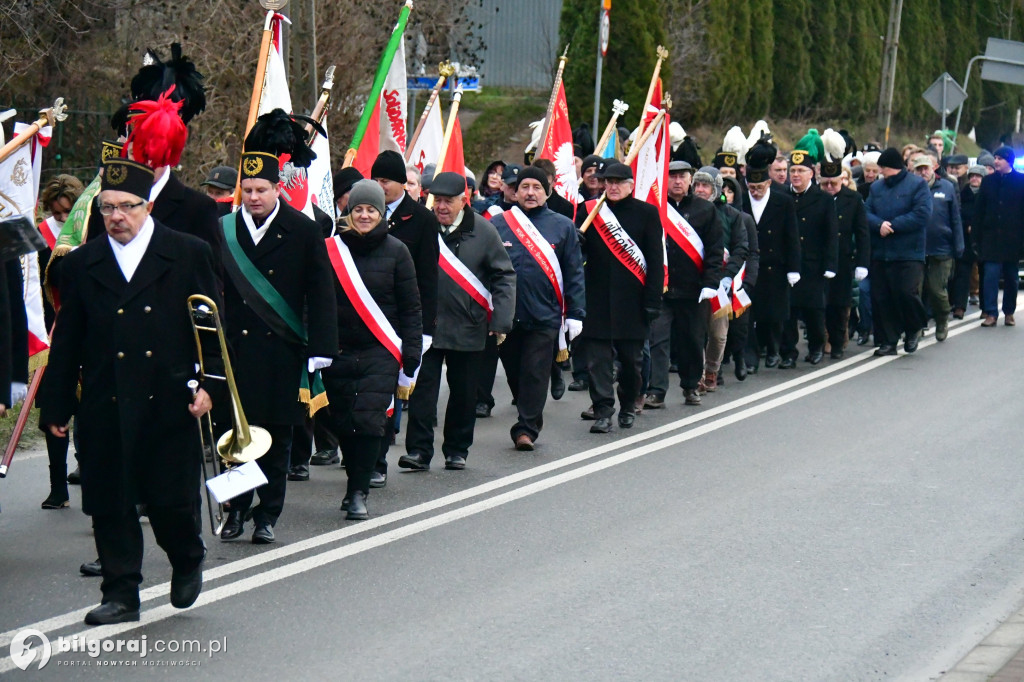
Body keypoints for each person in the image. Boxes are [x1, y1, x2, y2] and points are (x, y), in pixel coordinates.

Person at [39, 156, 217, 625]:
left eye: (127, 207)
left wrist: (210, 385)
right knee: (110, 501)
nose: (116, 217)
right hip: (105, 400)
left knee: (169, 502)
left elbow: (213, 327)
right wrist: (56, 403)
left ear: (148, 206)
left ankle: (187, 556)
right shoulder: (82, 264)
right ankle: (121, 593)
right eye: (107, 208)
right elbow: (68, 339)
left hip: (170, 399)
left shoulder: (187, 253)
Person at [216, 109, 338, 544]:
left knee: (277, 438)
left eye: (261, 189)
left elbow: (321, 291)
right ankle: (235, 510)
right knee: (233, 436)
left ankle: (267, 515)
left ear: (275, 189)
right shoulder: (222, 231)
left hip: (283, 351)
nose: (253, 197)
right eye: (246, 190)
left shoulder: (303, 230)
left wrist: (322, 346)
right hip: (234, 354)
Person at [316, 180, 421, 519]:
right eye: (358, 209)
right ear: (348, 212)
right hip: (338, 350)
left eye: (371, 210)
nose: (364, 215)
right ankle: (354, 480)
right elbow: (313, 301)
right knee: (344, 420)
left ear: (381, 214)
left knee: (369, 420)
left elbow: (410, 307)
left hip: (381, 350)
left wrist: (412, 350)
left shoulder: (397, 251)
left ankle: (358, 491)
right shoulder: (330, 250)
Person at [399, 172, 515, 472]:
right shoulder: (423, 227)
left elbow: (504, 275)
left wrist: (501, 319)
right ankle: (420, 451)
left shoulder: (484, 231)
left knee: (464, 392)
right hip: (428, 325)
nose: (441, 206)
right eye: (437, 200)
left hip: (469, 324)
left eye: (448, 201)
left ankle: (456, 449)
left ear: (464, 201)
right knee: (422, 390)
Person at [491, 167, 585, 449]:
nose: (530, 193)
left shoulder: (562, 226)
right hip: (507, 316)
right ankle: (526, 409)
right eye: (525, 187)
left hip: (545, 315)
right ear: (515, 191)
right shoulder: (499, 224)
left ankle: (527, 429)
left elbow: (573, 273)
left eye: (537, 187)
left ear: (548, 191)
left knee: (535, 371)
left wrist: (576, 313)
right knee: (514, 371)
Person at [576, 162, 662, 433]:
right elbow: (577, 257)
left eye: (618, 182)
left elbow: (655, 261)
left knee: (631, 365)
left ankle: (627, 406)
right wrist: (576, 242)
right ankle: (603, 410)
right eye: (608, 181)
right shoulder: (589, 212)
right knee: (597, 362)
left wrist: (652, 300)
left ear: (630, 185)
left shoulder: (647, 213)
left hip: (633, 301)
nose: (612, 187)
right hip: (597, 299)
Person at [370, 150, 439, 487]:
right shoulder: (362, 212)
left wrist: (426, 329)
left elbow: (428, 278)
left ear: (402, 184)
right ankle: (370, 455)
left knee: (392, 391)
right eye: (377, 180)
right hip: (367, 316)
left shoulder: (422, 220)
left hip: (402, 320)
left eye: (386, 181)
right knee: (372, 394)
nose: (380, 187)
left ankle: (379, 459)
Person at [647, 160, 722, 408]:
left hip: (694, 290)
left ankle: (690, 386)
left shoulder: (705, 210)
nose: (677, 181)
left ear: (691, 180)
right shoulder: (654, 209)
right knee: (658, 339)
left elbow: (714, 250)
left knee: (691, 340)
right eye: (672, 176)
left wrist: (710, 282)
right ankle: (656, 390)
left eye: (682, 176)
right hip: (663, 288)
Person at [37, 174, 85, 510]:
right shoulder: (40, 236)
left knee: (90, 407)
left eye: (69, 212)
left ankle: (89, 469)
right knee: (54, 407)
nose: (63, 219)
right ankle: (58, 486)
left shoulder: (91, 231)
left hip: (87, 327)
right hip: (52, 328)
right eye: (57, 213)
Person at [865, 147, 933, 355]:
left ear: (889, 168)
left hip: (908, 252)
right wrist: (878, 225)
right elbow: (866, 211)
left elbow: (921, 214)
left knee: (906, 293)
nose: (880, 173)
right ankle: (889, 340)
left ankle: (913, 329)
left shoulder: (917, 185)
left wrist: (893, 226)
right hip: (882, 252)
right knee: (882, 297)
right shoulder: (877, 188)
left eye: (882, 169)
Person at [743, 136, 801, 369]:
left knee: (774, 315)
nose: (756, 192)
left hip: (775, 266)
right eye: (752, 187)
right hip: (749, 267)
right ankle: (751, 357)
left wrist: (793, 269)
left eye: (760, 187)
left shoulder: (783, 201)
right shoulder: (741, 202)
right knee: (749, 315)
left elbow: (792, 238)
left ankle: (774, 350)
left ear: (768, 184)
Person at [782, 142, 838, 366]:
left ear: (811, 173)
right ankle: (788, 352)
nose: (796, 175)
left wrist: (830, 264)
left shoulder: (822, 199)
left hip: (812, 263)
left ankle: (816, 347)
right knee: (788, 311)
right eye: (793, 171)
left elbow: (831, 234)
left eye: (800, 171)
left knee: (813, 310)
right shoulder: (782, 197)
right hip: (787, 262)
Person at [693, 167, 747, 387]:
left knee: (718, 334)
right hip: (693, 281)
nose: (699, 190)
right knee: (694, 334)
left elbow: (741, 248)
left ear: (716, 188)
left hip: (719, 282)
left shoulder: (732, 216)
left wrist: (727, 278)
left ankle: (712, 370)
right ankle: (696, 376)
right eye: (696, 185)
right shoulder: (685, 212)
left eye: (705, 185)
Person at [819, 152, 869, 359]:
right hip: (817, 259)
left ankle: (838, 343)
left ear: (842, 180)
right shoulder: (815, 198)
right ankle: (818, 344)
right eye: (825, 183)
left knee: (839, 305)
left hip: (842, 259)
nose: (829, 187)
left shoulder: (853, 199)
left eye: (834, 183)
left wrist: (862, 263)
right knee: (818, 306)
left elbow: (862, 233)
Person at [912, 153, 963, 341]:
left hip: (941, 248)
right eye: (919, 169)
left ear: (933, 168)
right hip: (915, 248)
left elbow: (956, 219)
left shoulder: (947, 187)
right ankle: (916, 326)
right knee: (914, 291)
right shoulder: (911, 189)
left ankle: (942, 320)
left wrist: (959, 245)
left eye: (926, 168)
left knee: (936, 290)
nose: (923, 172)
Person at [974, 146, 1024, 327]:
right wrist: (977, 235)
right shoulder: (988, 181)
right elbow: (980, 209)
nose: (996, 162)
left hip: (1013, 238)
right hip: (991, 237)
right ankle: (991, 312)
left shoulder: (1021, 181)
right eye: (995, 158)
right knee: (990, 275)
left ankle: (1009, 312)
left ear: (1008, 161)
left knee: (1011, 277)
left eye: (1000, 159)